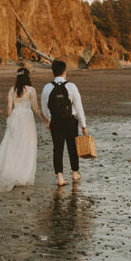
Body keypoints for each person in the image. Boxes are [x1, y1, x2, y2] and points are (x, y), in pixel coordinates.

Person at [0, 67, 47, 192]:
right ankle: (22, 175)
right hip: (27, 118)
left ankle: (10, 173)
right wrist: (46, 120)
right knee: (27, 145)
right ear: (28, 77)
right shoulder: (31, 90)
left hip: (16, 117)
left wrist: (9, 121)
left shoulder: (12, 90)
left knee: (12, 146)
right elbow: (36, 109)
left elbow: (9, 107)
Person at [41, 58, 88, 187]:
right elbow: (79, 108)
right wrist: (83, 125)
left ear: (53, 72)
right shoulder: (71, 86)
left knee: (58, 148)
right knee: (72, 147)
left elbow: (45, 108)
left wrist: (50, 119)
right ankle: (74, 172)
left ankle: (60, 177)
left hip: (56, 121)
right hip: (70, 121)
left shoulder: (47, 88)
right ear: (64, 72)